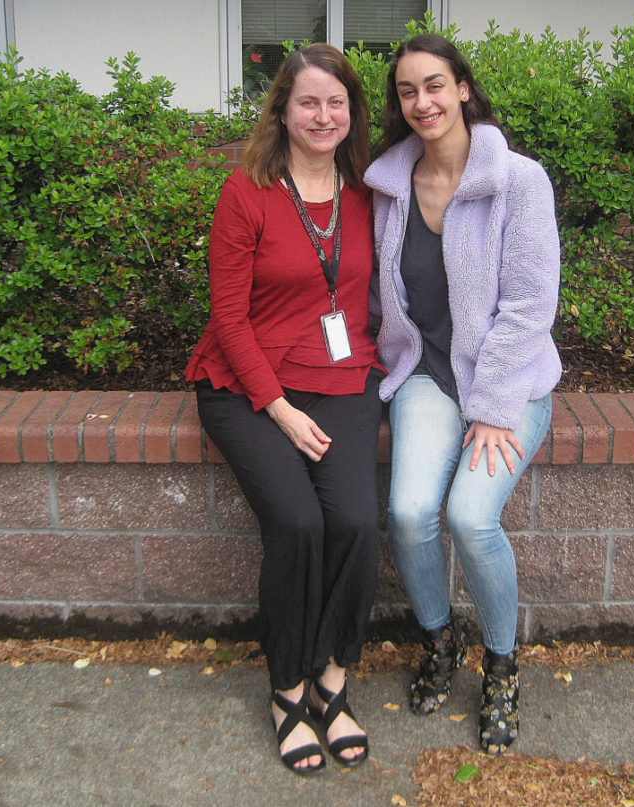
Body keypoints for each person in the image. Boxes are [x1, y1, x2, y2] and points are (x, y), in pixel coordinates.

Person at [185, 43, 383, 776]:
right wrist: (277, 407)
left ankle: (333, 672)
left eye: (337, 102)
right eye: (309, 102)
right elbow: (229, 318)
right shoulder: (247, 191)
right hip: (247, 386)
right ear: (283, 109)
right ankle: (287, 686)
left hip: (343, 375)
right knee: (298, 523)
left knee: (358, 522)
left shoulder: (368, 189)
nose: (323, 115)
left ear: (352, 112)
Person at [364, 33, 561, 755]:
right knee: (410, 510)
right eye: (408, 91)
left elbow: (531, 305)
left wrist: (491, 409)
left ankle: (503, 665)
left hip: (504, 382)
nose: (423, 102)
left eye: (435, 85)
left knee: (471, 517)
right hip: (424, 372)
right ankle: (439, 642)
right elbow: (377, 296)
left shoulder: (518, 181)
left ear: (464, 89)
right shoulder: (387, 186)